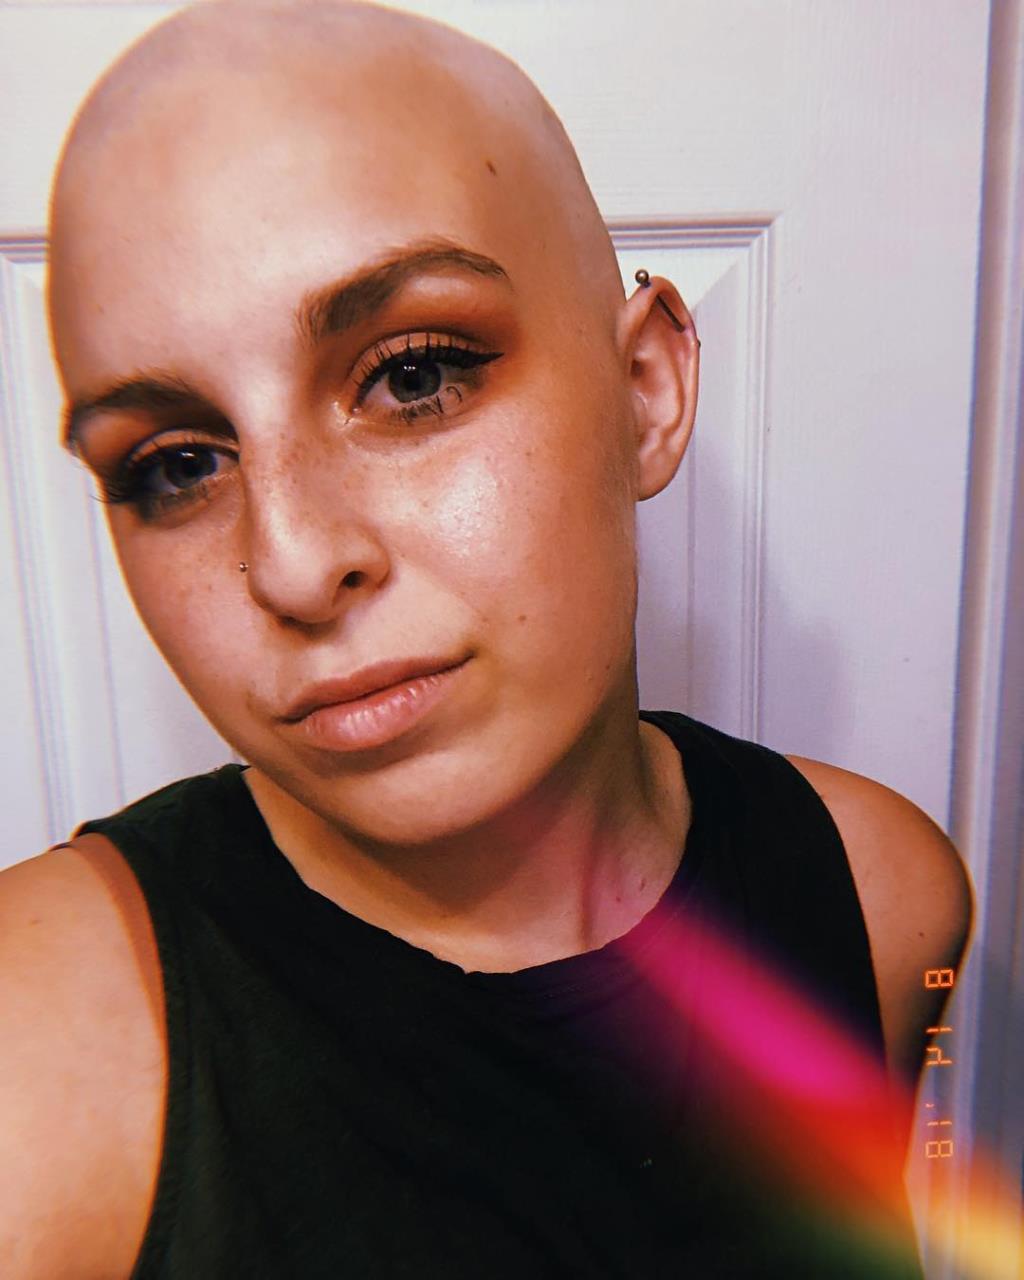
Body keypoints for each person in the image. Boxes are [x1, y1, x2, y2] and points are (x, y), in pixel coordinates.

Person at [1, 1, 972, 1276]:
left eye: (413, 374)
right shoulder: (39, 1073)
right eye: (176, 464)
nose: (291, 563)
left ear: (645, 390)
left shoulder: (881, 897)